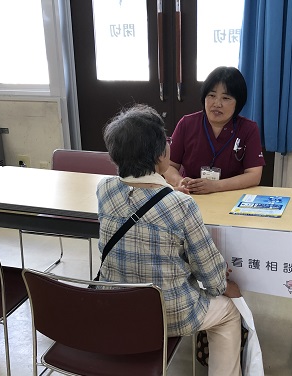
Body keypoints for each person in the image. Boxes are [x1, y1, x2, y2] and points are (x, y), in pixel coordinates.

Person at [97, 104, 243, 376]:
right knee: (228, 314)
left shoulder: (104, 189)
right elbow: (210, 275)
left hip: (115, 305)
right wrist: (225, 285)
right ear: (162, 154)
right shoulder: (181, 204)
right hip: (169, 313)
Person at [164, 66, 265, 194]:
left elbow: (254, 175)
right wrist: (180, 182)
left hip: (230, 195)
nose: (217, 104)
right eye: (211, 95)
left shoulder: (248, 129)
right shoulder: (187, 124)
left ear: (238, 102)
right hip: (192, 195)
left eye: (226, 98)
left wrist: (216, 186)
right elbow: (169, 166)